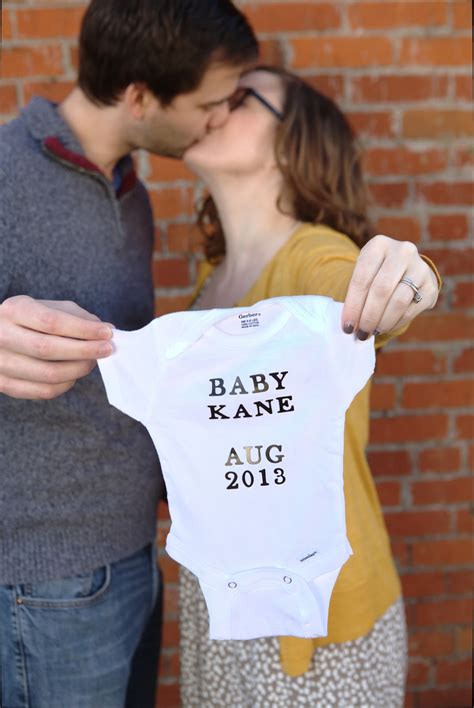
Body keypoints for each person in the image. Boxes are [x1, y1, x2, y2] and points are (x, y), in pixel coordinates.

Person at [0, 1, 258, 706]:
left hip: (136, 555)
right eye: (210, 103)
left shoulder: (128, 189)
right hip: (45, 585)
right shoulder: (5, 174)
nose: (220, 117)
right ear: (140, 96)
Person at [177, 66, 441, 707]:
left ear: (293, 144)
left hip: (317, 625)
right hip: (221, 613)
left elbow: (358, 293)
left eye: (242, 98)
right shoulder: (210, 281)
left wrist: (408, 279)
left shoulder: (314, 256)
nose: (216, 105)